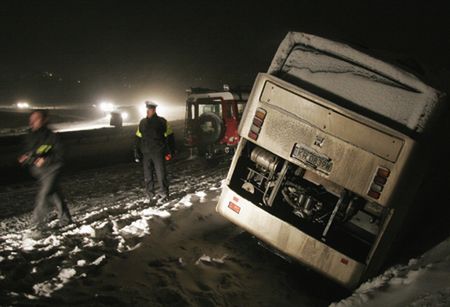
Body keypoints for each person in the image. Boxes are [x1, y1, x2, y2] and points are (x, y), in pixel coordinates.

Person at [18, 110, 72, 234]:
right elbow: (30, 152)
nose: (33, 122)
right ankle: (65, 219)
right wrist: (25, 158)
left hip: (53, 169)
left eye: (37, 119)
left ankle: (37, 225)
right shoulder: (30, 135)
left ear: (44, 120)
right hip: (40, 172)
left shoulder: (52, 136)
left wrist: (46, 160)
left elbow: (61, 154)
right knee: (54, 193)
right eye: (32, 119)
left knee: (44, 195)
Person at [134, 101, 175, 202]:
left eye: (149, 109)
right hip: (146, 153)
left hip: (158, 152)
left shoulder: (162, 122)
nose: (147, 111)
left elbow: (170, 137)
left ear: (154, 110)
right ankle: (150, 194)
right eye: (147, 109)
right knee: (148, 176)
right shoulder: (142, 122)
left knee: (161, 174)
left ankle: (164, 193)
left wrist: (170, 151)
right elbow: (138, 137)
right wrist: (136, 151)